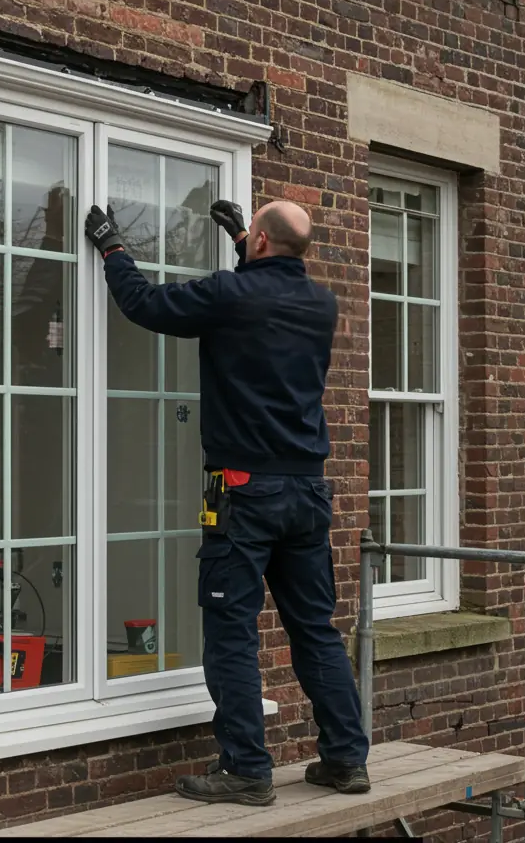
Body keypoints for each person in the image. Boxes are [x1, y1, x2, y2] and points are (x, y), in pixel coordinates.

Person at [85, 199, 370, 807]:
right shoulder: (321, 303)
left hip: (243, 492)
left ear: (262, 244)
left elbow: (144, 304)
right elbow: (267, 287)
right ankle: (346, 760)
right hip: (307, 491)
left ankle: (245, 769)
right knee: (315, 630)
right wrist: (246, 238)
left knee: (231, 631)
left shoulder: (229, 295)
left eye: (253, 240)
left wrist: (112, 247)